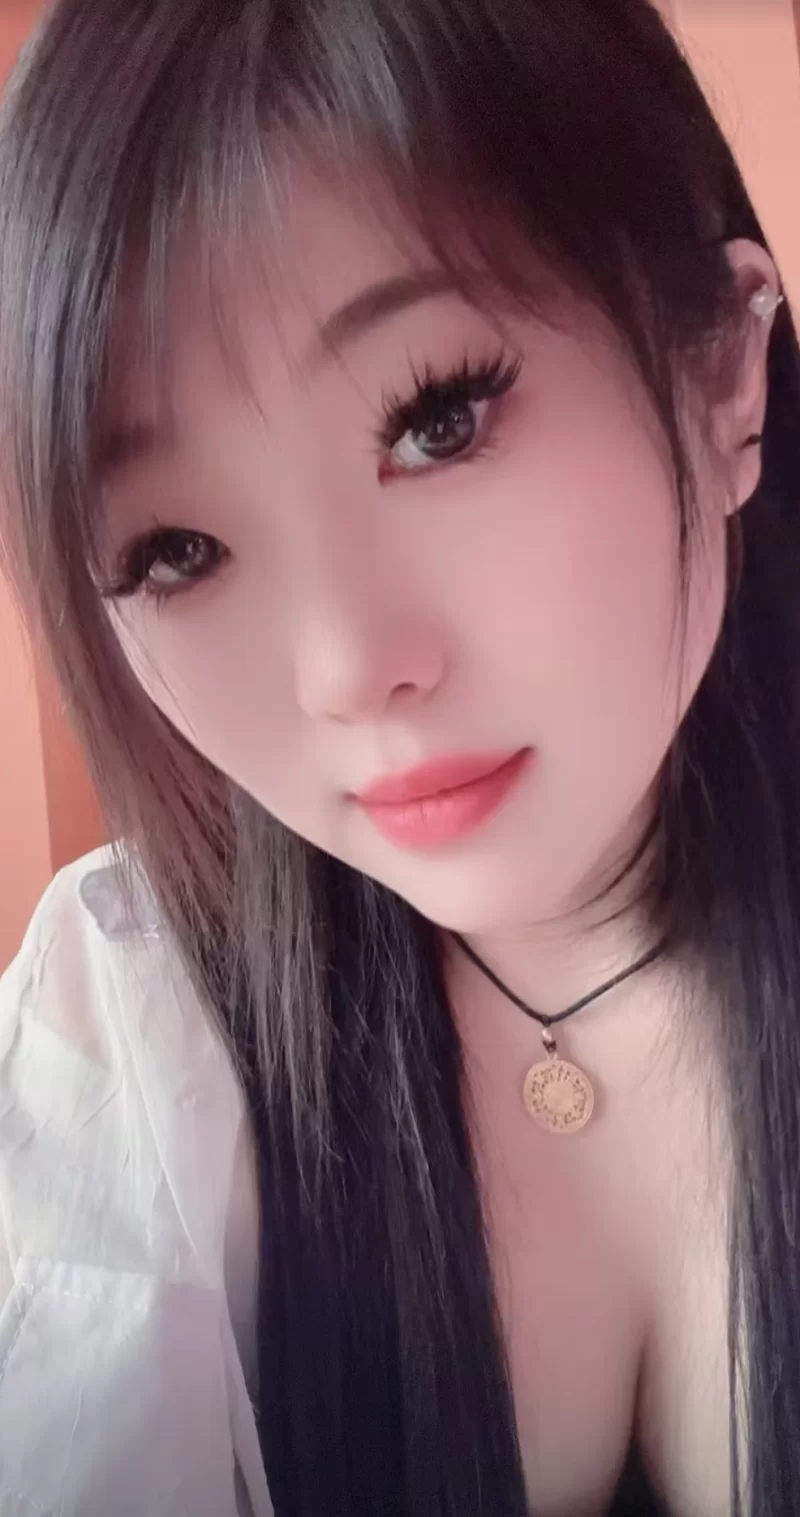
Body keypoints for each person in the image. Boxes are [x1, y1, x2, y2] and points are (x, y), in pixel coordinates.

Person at [0, 0, 797, 1512]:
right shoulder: (134, 1044)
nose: (346, 671)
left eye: (437, 421)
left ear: (721, 373)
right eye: (176, 549)